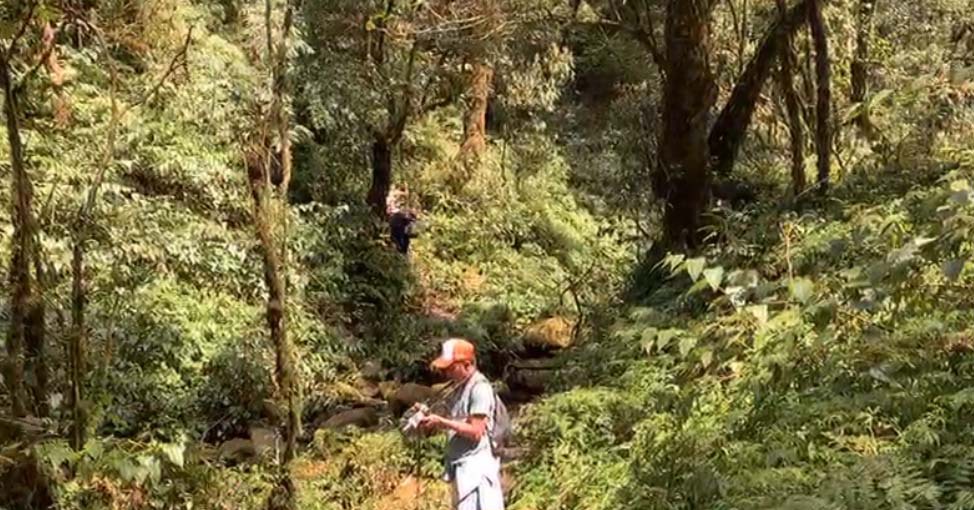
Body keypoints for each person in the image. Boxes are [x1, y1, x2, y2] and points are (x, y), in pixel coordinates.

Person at [419, 338, 505, 510]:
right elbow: (454, 419)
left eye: (451, 367)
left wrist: (442, 422)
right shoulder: (459, 387)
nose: (447, 372)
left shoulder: (480, 388)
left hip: (477, 472)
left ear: (467, 364)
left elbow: (475, 431)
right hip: (463, 467)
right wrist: (429, 416)